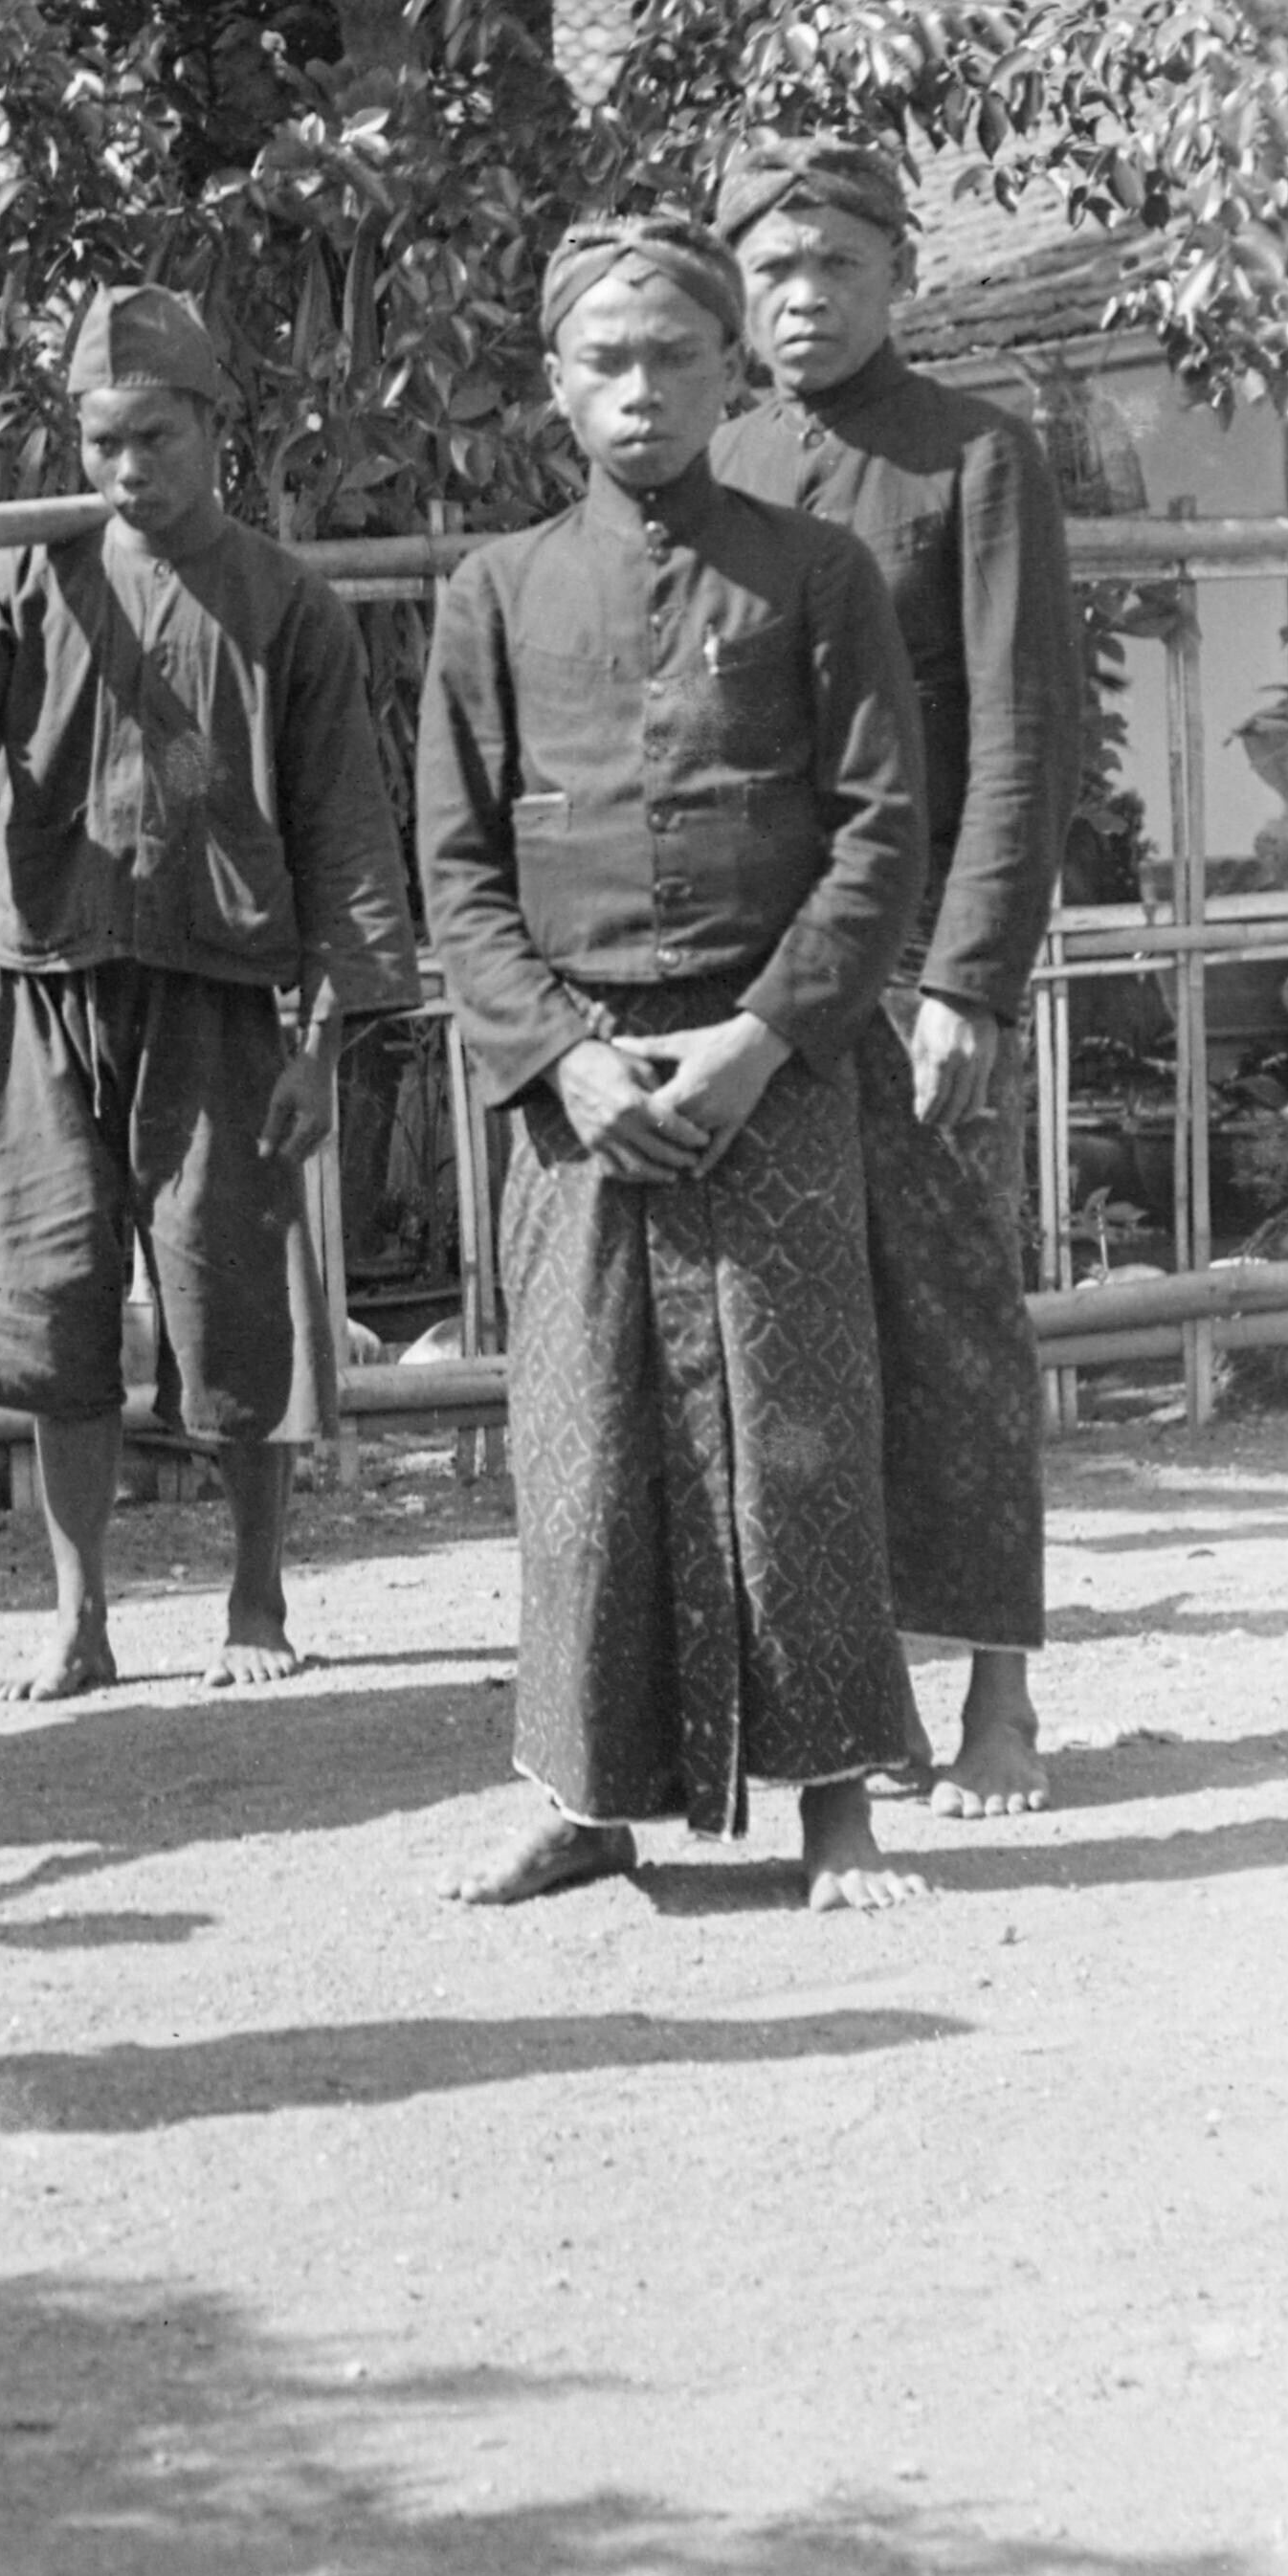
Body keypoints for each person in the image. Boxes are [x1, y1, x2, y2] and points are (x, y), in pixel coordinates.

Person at [418, 218, 931, 1913]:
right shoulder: (493, 592)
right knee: (578, 1447)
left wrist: (760, 1039)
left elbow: (878, 834)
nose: (639, 391)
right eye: (605, 362)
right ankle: (583, 1801)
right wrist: (561, 1063)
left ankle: (837, 1806)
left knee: (799, 1429)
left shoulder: (815, 575)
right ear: (553, 386)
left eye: (672, 358)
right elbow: (458, 872)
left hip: (769, 1060)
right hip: (574, 1079)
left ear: (729, 373)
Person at [0, 283, 424, 1694]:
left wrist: (323, 1041)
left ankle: (255, 1602)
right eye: (102, 442)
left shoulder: (285, 606)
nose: (125, 469)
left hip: (217, 993)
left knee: (231, 1303)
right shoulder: (26, 574)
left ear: (215, 429)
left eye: (154, 437)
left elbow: (345, 832)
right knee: (51, 1304)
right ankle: (80, 1616)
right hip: (45, 981)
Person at [709, 133, 1083, 1814]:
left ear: (897, 279)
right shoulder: (715, 463)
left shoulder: (974, 457)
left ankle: (1000, 1697)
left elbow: (1023, 733)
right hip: (760, 972)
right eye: (773, 270)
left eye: (837, 267)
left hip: (917, 958)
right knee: (790, 1337)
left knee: (953, 1321)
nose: (803, 298)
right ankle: (845, 1704)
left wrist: (970, 979)